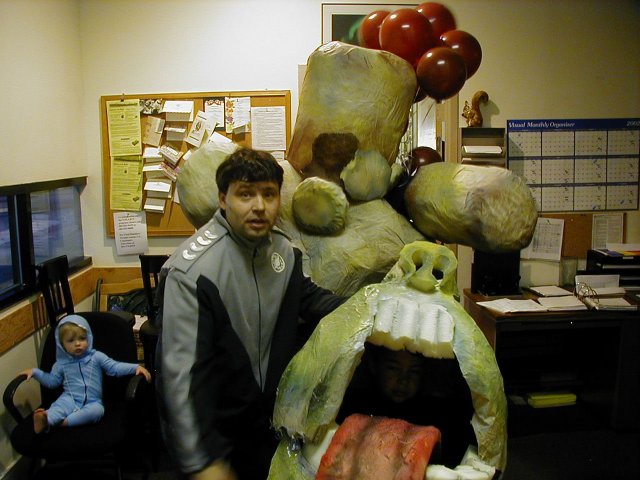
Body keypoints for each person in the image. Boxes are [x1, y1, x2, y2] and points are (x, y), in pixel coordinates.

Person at [155, 147, 346, 480]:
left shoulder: (282, 251)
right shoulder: (191, 272)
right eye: (245, 194)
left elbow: (311, 300)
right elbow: (179, 380)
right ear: (223, 199)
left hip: (263, 426)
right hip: (214, 437)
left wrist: (377, 301)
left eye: (268, 194)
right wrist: (202, 461)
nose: (259, 206)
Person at [338, 345, 476, 468]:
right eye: (393, 368)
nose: (403, 380)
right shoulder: (355, 405)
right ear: (375, 365)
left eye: (414, 371)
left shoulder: (433, 414)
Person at [20, 314, 151, 434]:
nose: (78, 344)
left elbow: (114, 367)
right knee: (59, 407)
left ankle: (62, 423)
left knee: (97, 412)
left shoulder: (96, 357)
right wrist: (35, 372)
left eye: (82, 338)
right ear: (62, 345)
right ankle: (45, 419)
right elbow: (52, 381)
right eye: (71, 340)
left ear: (88, 337)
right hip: (69, 398)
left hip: (93, 401)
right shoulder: (61, 364)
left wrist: (135, 367)